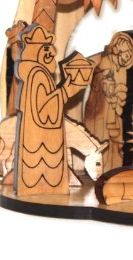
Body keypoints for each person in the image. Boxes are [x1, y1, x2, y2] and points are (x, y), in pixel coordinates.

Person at [15, 25, 83, 196]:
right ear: (36, 51)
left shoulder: (38, 73)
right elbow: (45, 111)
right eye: (47, 49)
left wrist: (67, 88)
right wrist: (67, 89)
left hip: (41, 141)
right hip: (41, 142)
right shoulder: (37, 75)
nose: (52, 53)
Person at [85, 32, 133, 171]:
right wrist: (106, 85)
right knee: (101, 141)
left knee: (116, 144)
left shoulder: (122, 70)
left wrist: (117, 97)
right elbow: (97, 82)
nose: (127, 60)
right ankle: (101, 170)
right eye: (126, 56)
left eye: (129, 57)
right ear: (118, 51)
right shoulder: (104, 62)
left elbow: (120, 96)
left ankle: (114, 169)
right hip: (100, 111)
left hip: (113, 113)